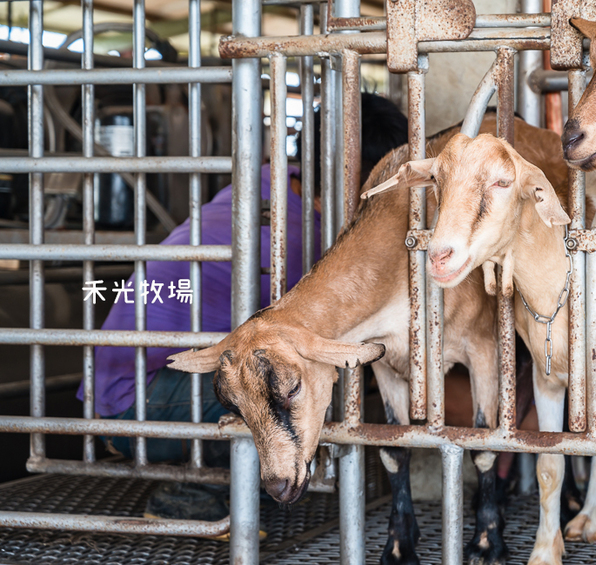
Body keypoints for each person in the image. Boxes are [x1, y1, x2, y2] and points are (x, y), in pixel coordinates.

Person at [78, 93, 409, 525]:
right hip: (137, 402)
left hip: (117, 386)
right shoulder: (308, 240)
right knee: (293, 383)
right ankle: (195, 494)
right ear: (363, 177)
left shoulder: (266, 183)